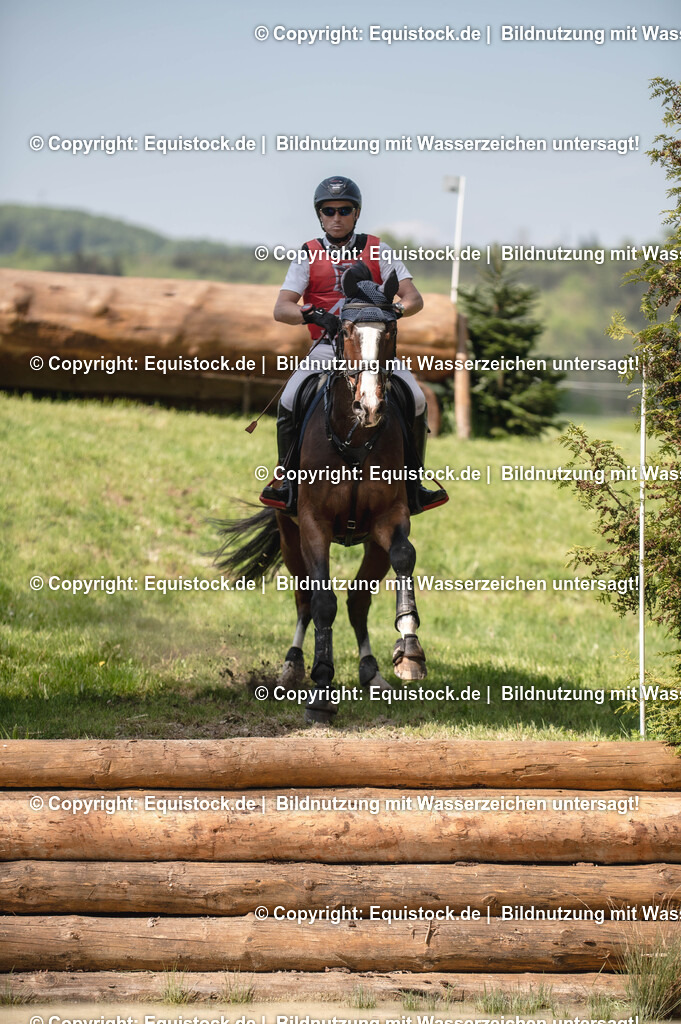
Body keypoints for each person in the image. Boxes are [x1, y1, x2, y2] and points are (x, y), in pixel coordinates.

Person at [260, 175, 447, 514]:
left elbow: (414, 299)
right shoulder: (308, 253)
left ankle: (414, 483)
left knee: (417, 399)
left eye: (344, 210)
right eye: (328, 211)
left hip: (370, 346)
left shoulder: (378, 248)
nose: (336, 217)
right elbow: (281, 308)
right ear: (319, 215)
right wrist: (313, 315)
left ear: (356, 213)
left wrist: (392, 311)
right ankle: (287, 482)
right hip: (326, 345)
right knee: (289, 398)